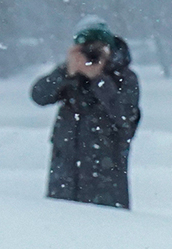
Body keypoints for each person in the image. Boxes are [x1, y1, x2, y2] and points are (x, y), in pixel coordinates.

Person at [30, 18, 139, 209]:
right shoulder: (69, 74)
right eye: (85, 47)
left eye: (98, 47)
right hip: (65, 174)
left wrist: (98, 78)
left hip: (106, 176)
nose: (91, 52)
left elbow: (125, 117)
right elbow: (38, 96)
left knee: (106, 231)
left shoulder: (125, 77)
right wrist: (66, 72)